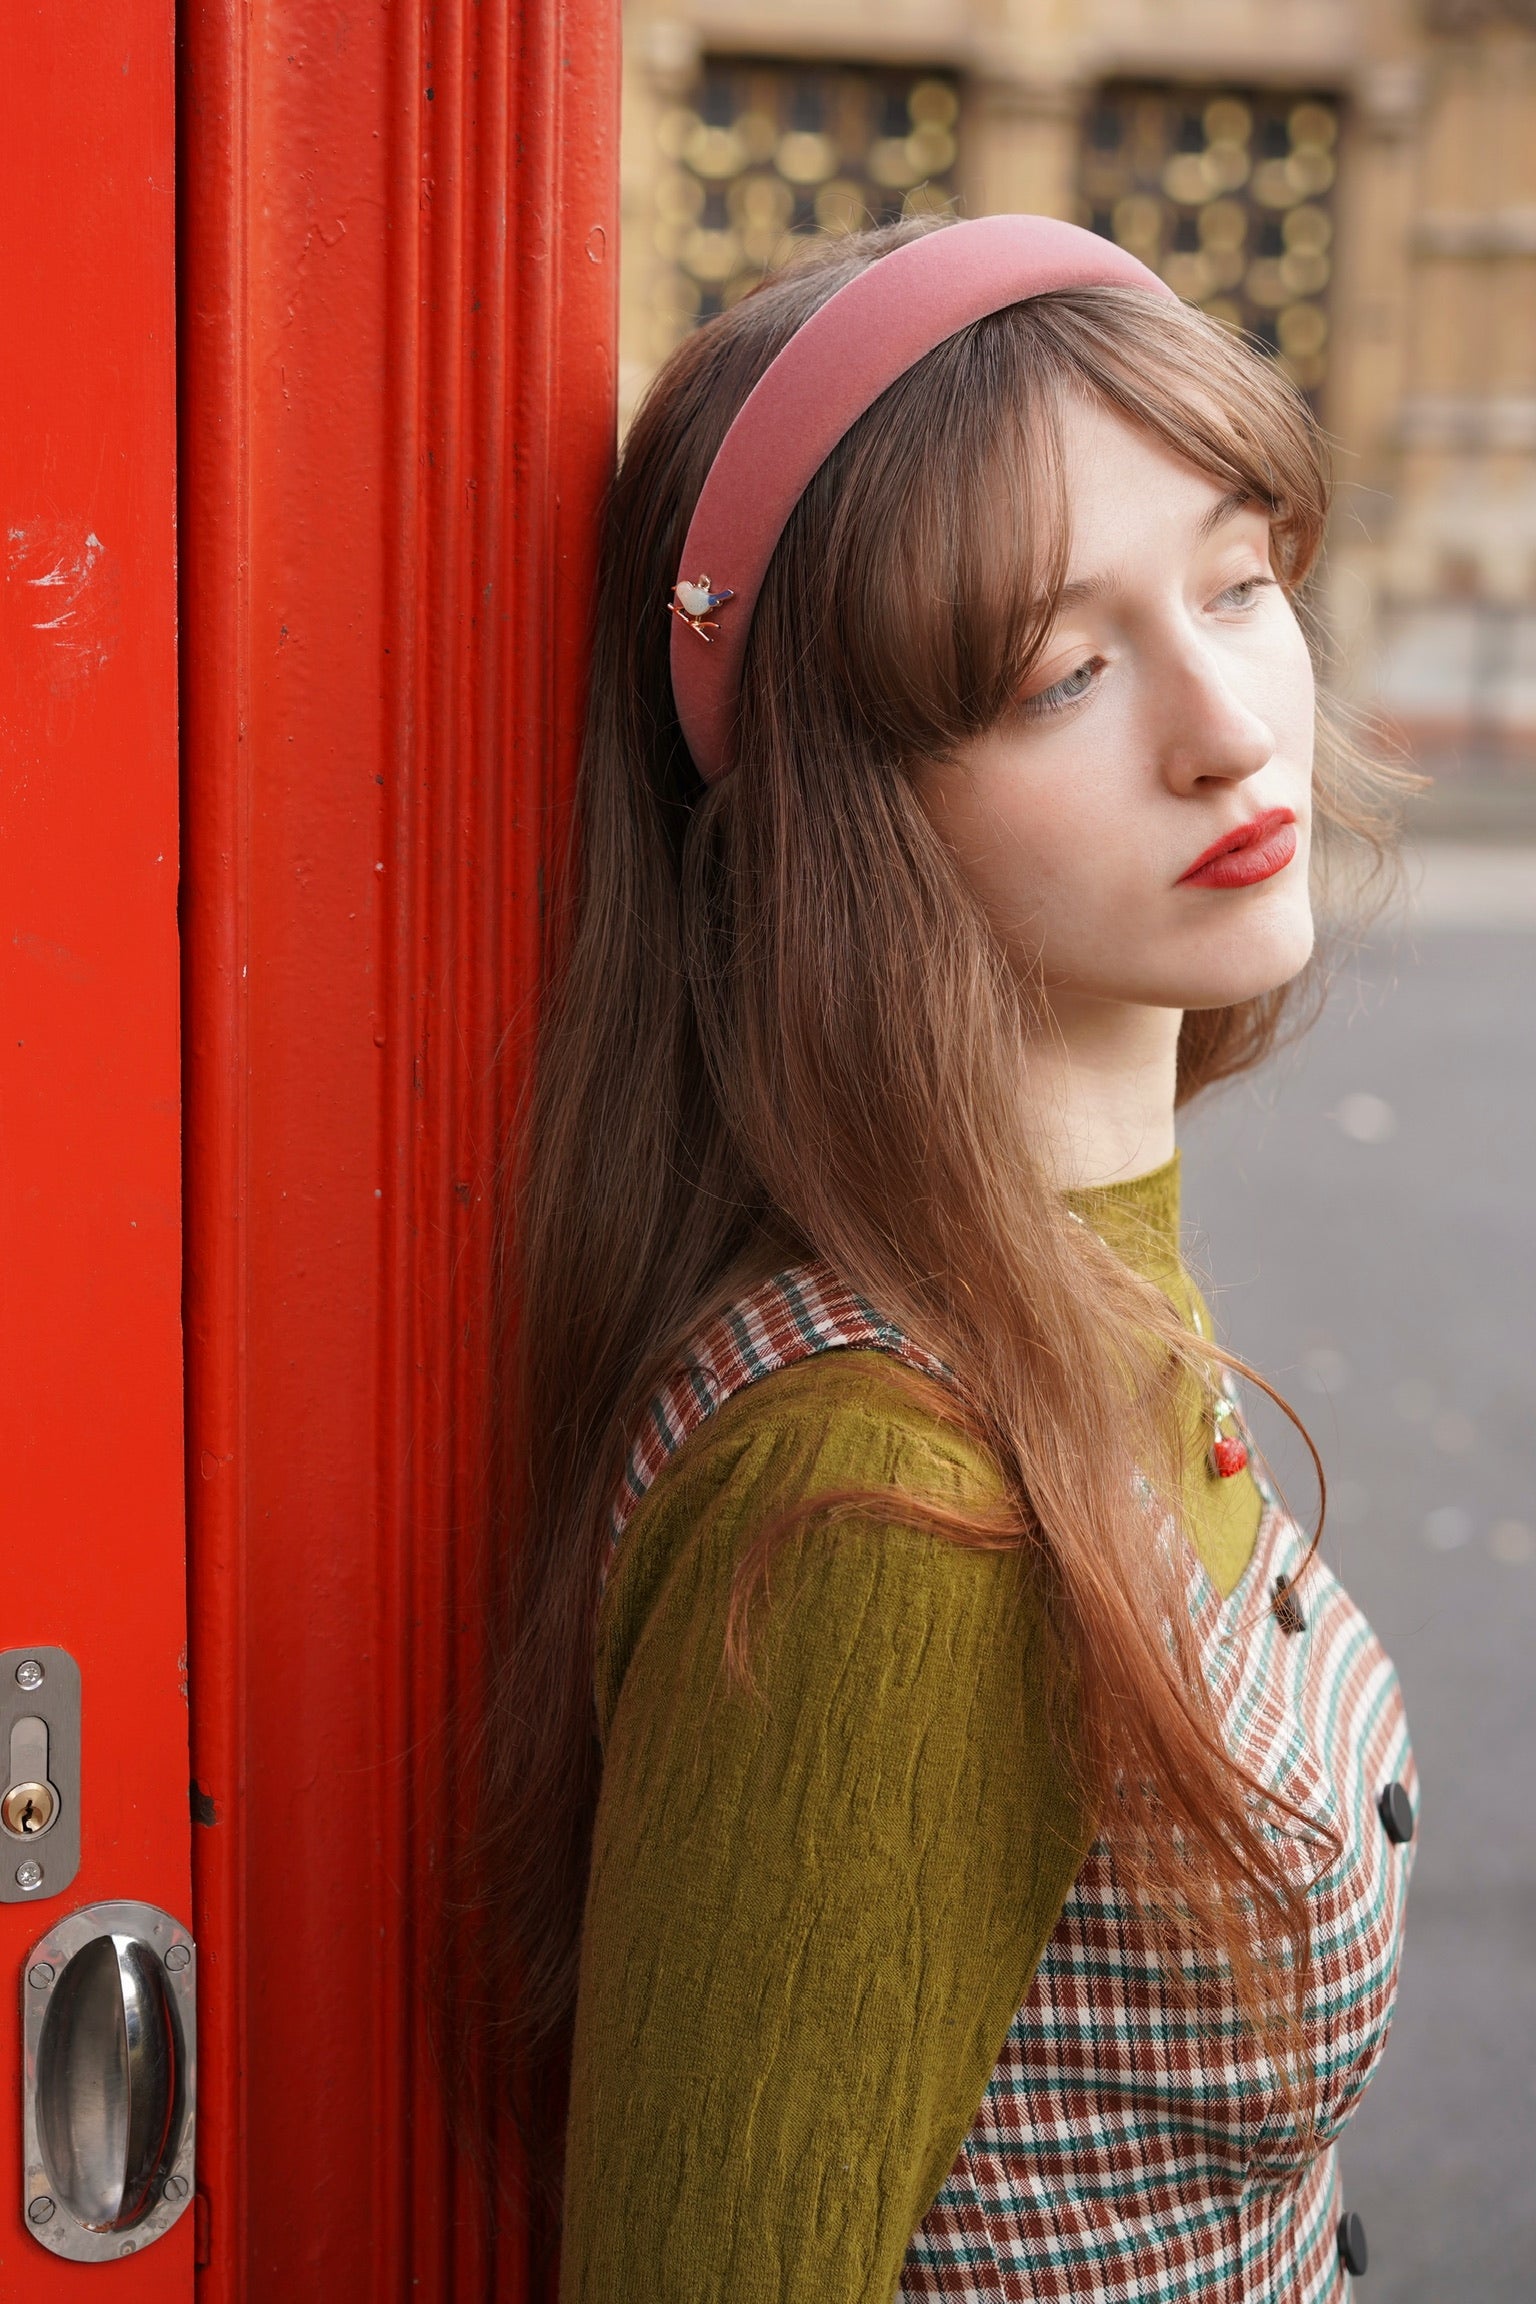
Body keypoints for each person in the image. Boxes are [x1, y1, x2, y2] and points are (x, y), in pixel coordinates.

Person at [484, 214, 1419, 2300]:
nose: (1225, 725)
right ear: (847, 821)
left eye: (1243, 583)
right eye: (1057, 672)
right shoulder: (890, 1517)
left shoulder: (1048, 1278)